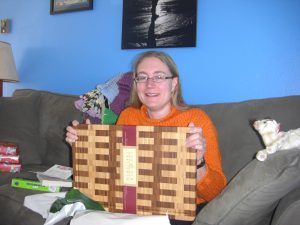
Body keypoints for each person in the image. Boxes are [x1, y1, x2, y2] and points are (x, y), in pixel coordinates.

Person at [66, 51, 227, 225]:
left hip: (177, 212)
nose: (150, 84)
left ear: (173, 83)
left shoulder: (196, 120)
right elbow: (114, 174)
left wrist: (198, 162)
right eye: (142, 77)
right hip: (132, 207)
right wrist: (86, 145)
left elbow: (216, 193)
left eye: (159, 76)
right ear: (136, 84)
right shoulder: (128, 116)